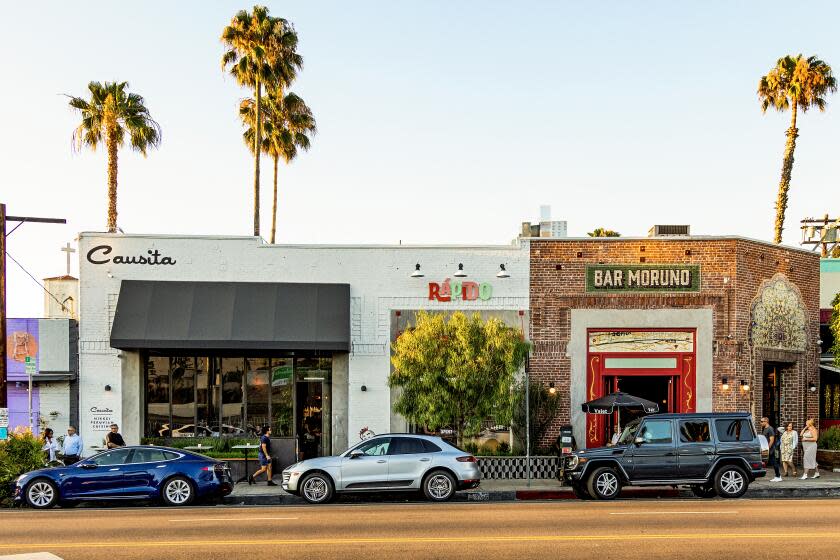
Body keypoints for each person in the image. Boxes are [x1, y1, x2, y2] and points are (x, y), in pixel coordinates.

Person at [760, 417, 782, 482]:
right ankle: (777, 476)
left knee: (774, 462)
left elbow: (772, 440)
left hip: (770, 449)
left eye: (762, 421)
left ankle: (778, 476)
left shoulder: (770, 429)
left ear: (766, 421)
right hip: (766, 448)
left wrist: (768, 448)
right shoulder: (765, 429)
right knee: (772, 462)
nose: (760, 423)